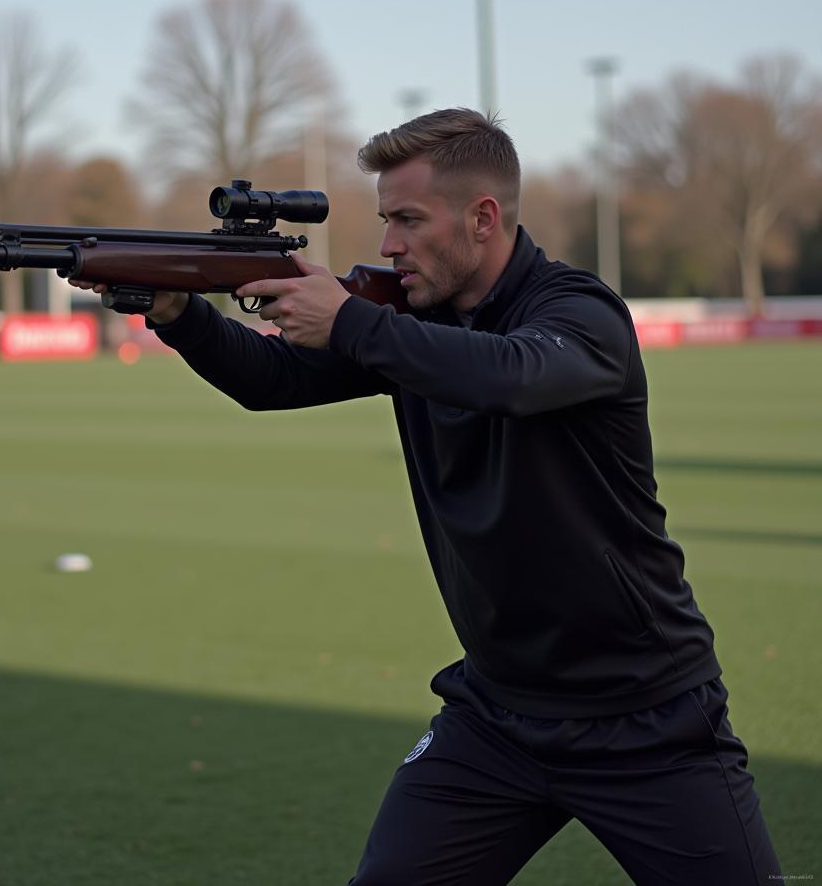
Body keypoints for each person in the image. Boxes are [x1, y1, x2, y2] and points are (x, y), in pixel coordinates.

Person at [71, 108, 780, 884]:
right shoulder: (408, 323)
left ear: (482, 219)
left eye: (407, 219)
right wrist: (179, 313)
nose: (387, 245)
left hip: (647, 717)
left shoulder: (579, 312)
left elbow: (511, 375)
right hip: (496, 718)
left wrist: (352, 323)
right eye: (384, 220)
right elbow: (271, 380)